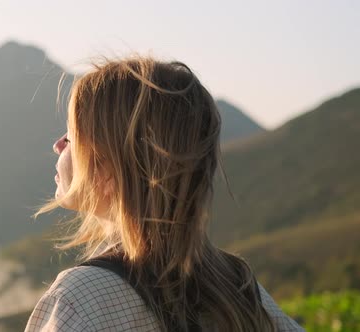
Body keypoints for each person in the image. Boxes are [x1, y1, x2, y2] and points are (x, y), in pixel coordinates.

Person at [25, 55, 305, 331]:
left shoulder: (81, 300)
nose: (57, 145)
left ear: (108, 171)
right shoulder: (238, 285)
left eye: (71, 136)